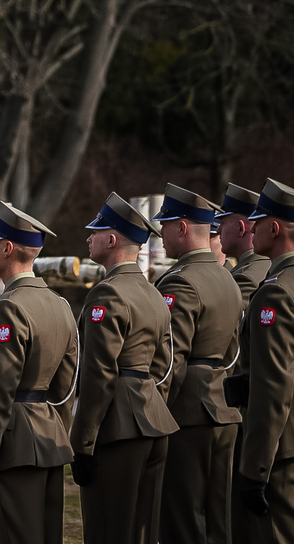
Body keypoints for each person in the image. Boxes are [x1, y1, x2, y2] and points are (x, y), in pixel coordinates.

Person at [0, 202, 77, 544]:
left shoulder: (9, 307)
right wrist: (55, 433)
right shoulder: (61, 305)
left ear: (7, 248)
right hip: (49, 441)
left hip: (14, 449)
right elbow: (66, 386)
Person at [70, 192, 178, 544]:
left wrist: (83, 443)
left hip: (118, 429)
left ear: (112, 239)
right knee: (142, 532)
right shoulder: (154, 293)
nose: (88, 237)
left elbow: (98, 375)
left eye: (95, 231)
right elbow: (164, 367)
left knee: (108, 531)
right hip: (153, 421)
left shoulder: (107, 294)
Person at [152, 183, 243, 544]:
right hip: (224, 408)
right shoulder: (227, 277)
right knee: (217, 520)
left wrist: (154, 413)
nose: (160, 232)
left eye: (165, 224)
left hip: (188, 413)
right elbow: (235, 349)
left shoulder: (181, 282)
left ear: (183, 228)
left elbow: (169, 361)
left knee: (182, 520)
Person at [238, 178, 294, 544]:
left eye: (258, 221)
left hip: (287, 442)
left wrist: (255, 468)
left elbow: (273, 387)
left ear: (275, 228)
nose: (251, 228)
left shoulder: (278, 291)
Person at [216, 182, 271, 544]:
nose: (217, 231)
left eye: (221, 222)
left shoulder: (248, 279)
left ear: (240, 226)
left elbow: (236, 350)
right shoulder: (260, 271)